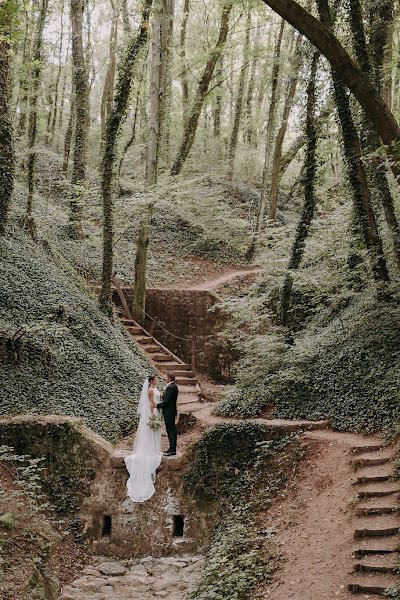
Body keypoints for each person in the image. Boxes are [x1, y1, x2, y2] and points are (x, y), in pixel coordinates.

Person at [124, 375, 163, 502]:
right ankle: (151, 449)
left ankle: (155, 448)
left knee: (155, 433)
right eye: (155, 380)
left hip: (156, 412)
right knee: (151, 432)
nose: (157, 381)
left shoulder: (154, 389)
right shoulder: (150, 390)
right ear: (151, 381)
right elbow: (151, 403)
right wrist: (153, 417)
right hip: (152, 413)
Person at [157, 372, 179, 456]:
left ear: (169, 378)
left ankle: (172, 450)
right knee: (170, 431)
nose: (164, 378)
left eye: (165, 376)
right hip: (170, 411)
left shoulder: (170, 387)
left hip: (169, 412)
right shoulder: (172, 386)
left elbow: (166, 402)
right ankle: (171, 448)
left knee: (171, 431)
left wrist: (156, 405)